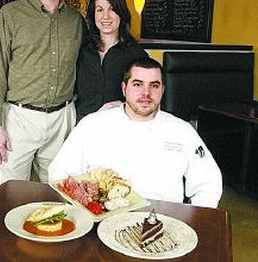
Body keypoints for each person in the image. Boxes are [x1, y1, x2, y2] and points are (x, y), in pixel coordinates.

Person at [49, 57, 223, 208]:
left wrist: (192, 219)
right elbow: (60, 172)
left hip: (163, 220)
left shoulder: (182, 131)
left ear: (162, 90)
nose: (146, 93)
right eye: (138, 84)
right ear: (124, 89)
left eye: (154, 86)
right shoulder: (92, 124)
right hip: (102, 217)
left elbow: (208, 184)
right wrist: (84, 207)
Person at [0, 0, 84, 184]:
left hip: (62, 118)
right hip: (19, 119)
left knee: (58, 191)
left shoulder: (76, 20)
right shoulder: (10, 15)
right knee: (12, 192)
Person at [76, 0, 148, 120]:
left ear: (121, 13)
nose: (105, 16)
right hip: (83, 125)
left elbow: (147, 95)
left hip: (121, 125)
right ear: (93, 15)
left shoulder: (135, 54)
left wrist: (123, 105)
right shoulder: (82, 51)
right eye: (99, 10)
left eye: (112, 9)